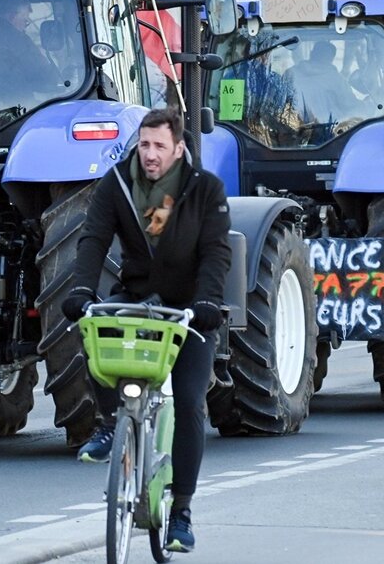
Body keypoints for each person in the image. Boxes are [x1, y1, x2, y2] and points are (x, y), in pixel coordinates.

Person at [62, 107, 231, 553]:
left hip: (189, 310)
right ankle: (108, 424)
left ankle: (182, 513)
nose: (150, 154)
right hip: (137, 300)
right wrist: (81, 289)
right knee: (90, 330)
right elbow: (93, 239)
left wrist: (208, 302)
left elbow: (216, 252)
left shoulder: (205, 188)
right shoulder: (116, 183)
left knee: (190, 403)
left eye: (159, 146)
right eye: (144, 145)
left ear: (178, 149)